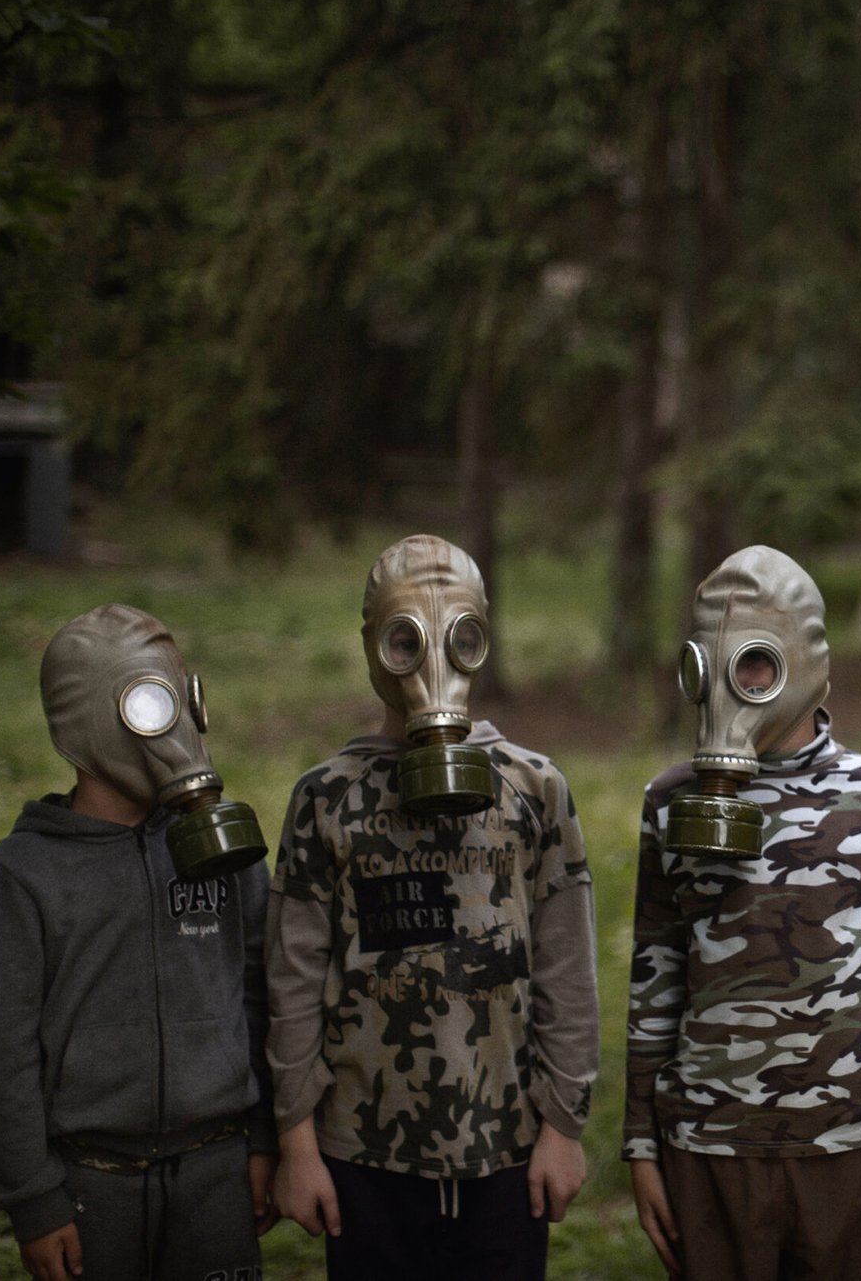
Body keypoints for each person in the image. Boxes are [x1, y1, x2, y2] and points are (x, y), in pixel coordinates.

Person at [265, 534, 598, 1281]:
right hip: (363, 1155)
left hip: (506, 1154)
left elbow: (567, 967)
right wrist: (296, 1143)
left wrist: (561, 1125)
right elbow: (291, 979)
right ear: (376, 647)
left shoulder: (533, 788)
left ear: (480, 639)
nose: (433, 662)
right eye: (406, 639)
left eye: (460, 635)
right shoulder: (327, 799)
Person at [623, 545, 861, 1280]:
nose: (742, 685)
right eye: (719, 663)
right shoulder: (672, 801)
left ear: (805, 658)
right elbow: (655, 978)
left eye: (757, 661)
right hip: (708, 1141)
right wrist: (641, 1144)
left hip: (846, 1137)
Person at [0, 603, 277, 1281]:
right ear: (90, 723)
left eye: (179, 701)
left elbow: (259, 992)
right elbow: (6, 1050)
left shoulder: (229, 858)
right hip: (90, 1186)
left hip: (215, 1171)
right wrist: (35, 1202)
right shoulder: (28, 874)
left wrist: (264, 1141)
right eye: (150, 706)